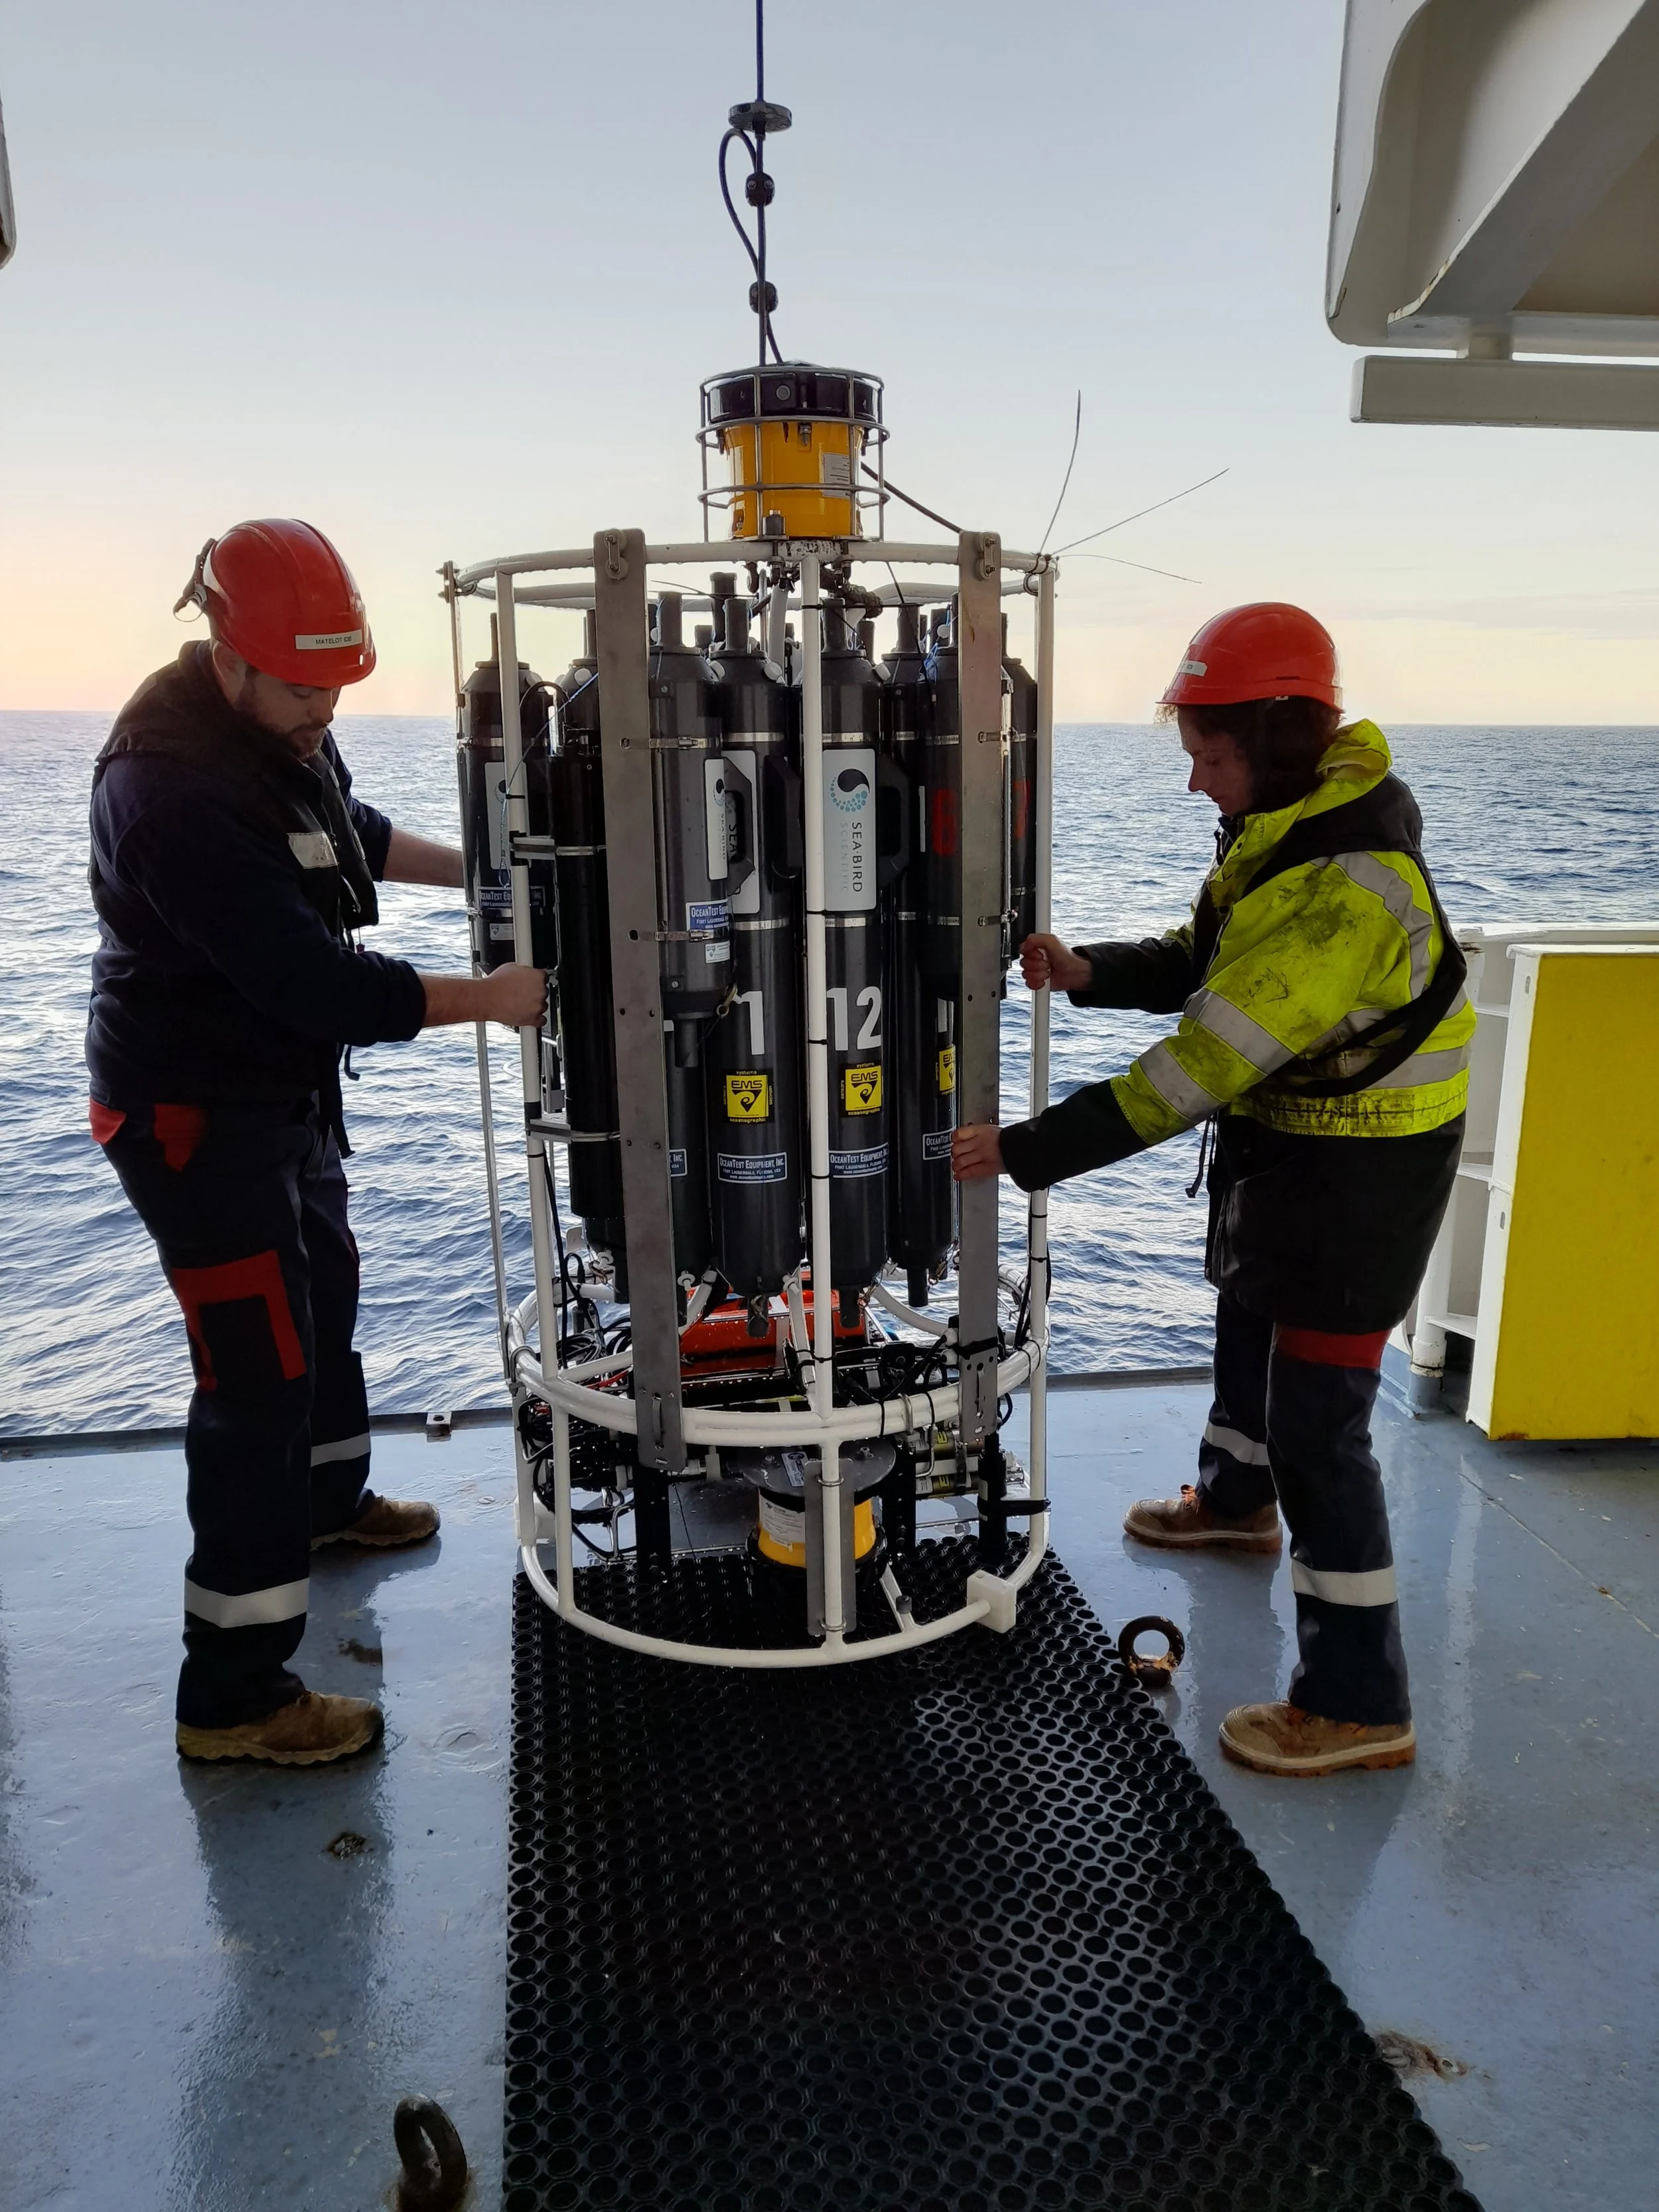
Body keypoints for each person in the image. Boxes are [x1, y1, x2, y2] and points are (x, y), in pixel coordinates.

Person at [954, 603, 1473, 1778]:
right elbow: (1209, 960)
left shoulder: (1344, 883)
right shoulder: (1284, 821)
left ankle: (1356, 1701)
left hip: (1367, 1170)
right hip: (1293, 1144)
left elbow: (1193, 1073)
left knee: (1323, 1431)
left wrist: (1022, 1150)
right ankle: (1239, 1501)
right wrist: (1090, 973)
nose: (1194, 784)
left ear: (1277, 739)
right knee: (1248, 1302)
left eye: (1208, 756)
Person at [87, 519, 545, 1768]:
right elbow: (315, 984)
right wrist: (490, 994)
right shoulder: (167, 788)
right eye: (303, 690)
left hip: (278, 1100)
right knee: (254, 1386)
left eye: (337, 689)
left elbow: (350, 828)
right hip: (193, 1120)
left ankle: (329, 1508)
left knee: (323, 1295)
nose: (321, 712)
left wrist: (495, 877)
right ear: (225, 653)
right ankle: (232, 1698)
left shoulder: (276, 729)